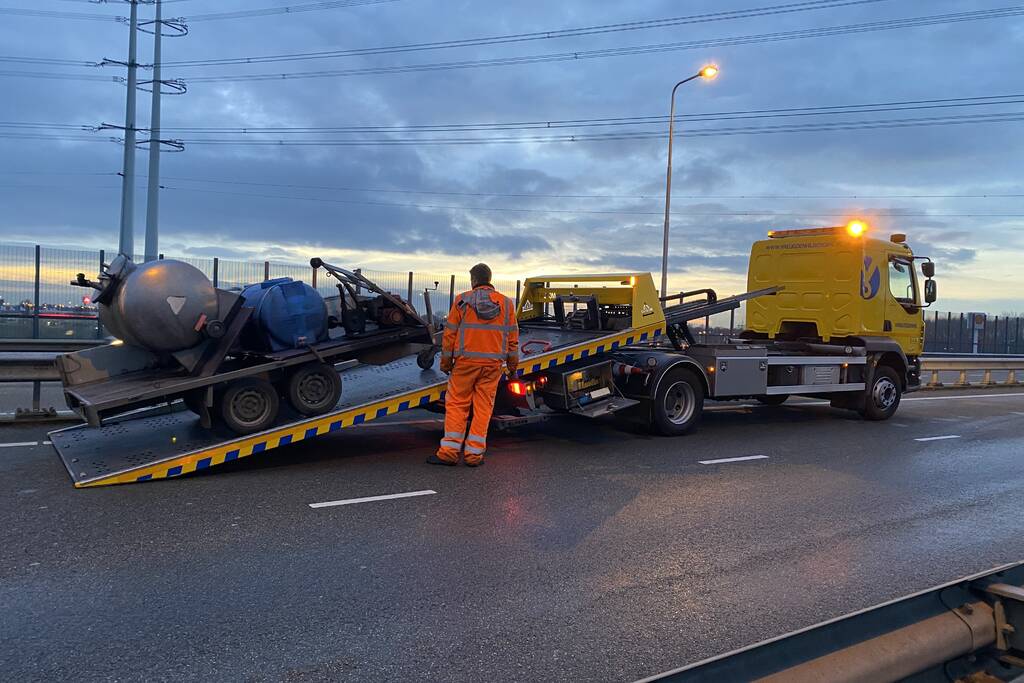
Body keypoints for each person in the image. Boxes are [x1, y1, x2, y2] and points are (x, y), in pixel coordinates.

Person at [427, 263, 518, 467]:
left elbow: (449, 335)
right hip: (493, 365)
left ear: (474, 280)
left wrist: (445, 362)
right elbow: (513, 338)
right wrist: (513, 366)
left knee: (457, 405)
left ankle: (449, 452)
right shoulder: (506, 304)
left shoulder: (462, 301)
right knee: (483, 408)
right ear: (489, 278)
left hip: (465, 364)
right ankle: (474, 455)